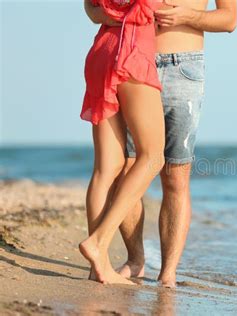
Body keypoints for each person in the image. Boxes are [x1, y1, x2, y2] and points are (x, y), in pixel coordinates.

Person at [84, 0, 237, 287]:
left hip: (183, 65)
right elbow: (91, 7)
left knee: (175, 176)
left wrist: (188, 15)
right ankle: (134, 260)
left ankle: (168, 274)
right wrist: (119, 16)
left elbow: (229, 19)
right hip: (129, 56)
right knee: (127, 166)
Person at [79, 0, 166, 285]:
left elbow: (92, 8)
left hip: (102, 52)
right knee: (153, 156)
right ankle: (99, 242)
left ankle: (99, 268)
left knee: (107, 168)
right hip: (132, 53)